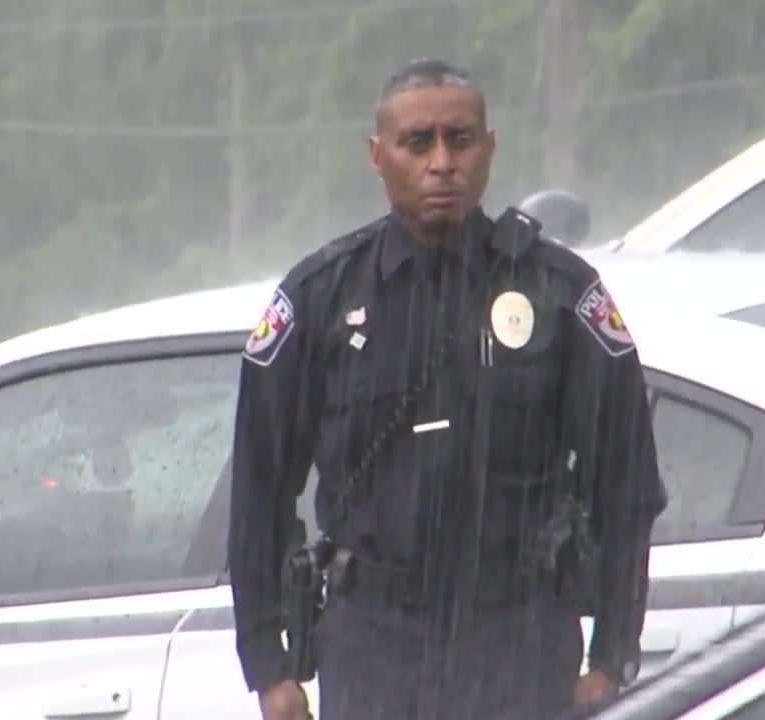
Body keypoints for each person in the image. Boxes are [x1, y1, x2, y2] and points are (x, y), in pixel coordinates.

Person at [227, 58, 666, 720]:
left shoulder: (559, 294)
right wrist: (269, 668)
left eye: (460, 141)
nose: (441, 163)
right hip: (376, 648)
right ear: (377, 156)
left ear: (488, 149)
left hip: (519, 643)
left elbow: (626, 489)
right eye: (417, 143)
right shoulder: (321, 298)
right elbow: (260, 494)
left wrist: (611, 659)